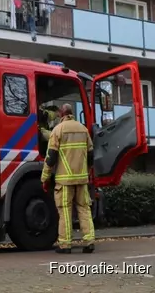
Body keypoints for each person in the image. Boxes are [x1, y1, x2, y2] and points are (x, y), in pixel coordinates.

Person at [40, 103, 95, 254]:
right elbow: (91, 154)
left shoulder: (58, 130)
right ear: (72, 113)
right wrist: (87, 172)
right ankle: (89, 241)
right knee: (84, 209)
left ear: (61, 114)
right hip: (82, 179)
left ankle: (65, 245)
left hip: (64, 180)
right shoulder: (83, 129)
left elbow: (51, 157)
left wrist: (44, 178)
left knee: (65, 211)